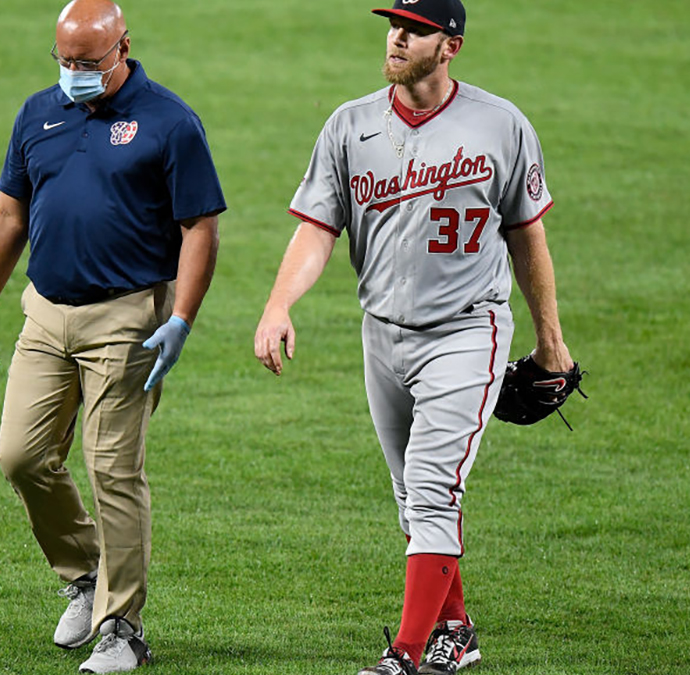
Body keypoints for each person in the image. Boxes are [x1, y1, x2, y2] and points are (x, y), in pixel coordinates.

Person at [253, 1, 574, 673]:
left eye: (415, 28)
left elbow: (527, 237)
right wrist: (279, 302)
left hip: (467, 331)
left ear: (449, 46)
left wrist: (551, 341)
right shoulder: (351, 125)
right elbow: (317, 227)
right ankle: (455, 628)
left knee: (431, 487)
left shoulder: (500, 124)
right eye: (393, 24)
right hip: (383, 334)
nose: (397, 36)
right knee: (412, 495)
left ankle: (404, 654)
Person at [0, 1, 225, 672]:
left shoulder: (169, 121)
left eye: (89, 63)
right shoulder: (37, 113)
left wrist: (181, 319)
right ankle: (83, 573)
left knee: (113, 468)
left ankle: (122, 627)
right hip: (46, 311)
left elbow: (201, 228)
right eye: (65, 62)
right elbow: (8, 212)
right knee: (21, 455)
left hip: (127, 318)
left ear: (123, 48)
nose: (74, 75)